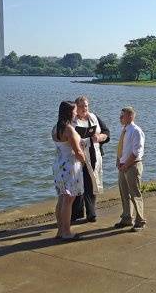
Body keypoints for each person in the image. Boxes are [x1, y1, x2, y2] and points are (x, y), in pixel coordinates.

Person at [71, 95, 110, 223]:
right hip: (78, 157)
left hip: (94, 156)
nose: (84, 109)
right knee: (78, 184)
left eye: (86, 106)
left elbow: (106, 133)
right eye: (81, 106)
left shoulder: (94, 117)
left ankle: (91, 213)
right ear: (76, 108)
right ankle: (76, 213)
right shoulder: (71, 120)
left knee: (91, 184)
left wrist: (99, 138)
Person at [51, 101, 86, 241]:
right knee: (69, 199)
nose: (76, 113)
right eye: (74, 111)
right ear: (68, 113)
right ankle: (66, 232)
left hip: (59, 164)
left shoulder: (55, 128)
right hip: (70, 165)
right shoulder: (69, 129)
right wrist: (84, 161)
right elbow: (77, 151)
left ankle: (60, 230)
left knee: (61, 198)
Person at [114, 106, 147, 232]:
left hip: (132, 166)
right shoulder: (124, 130)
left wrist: (126, 165)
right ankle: (127, 217)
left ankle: (140, 220)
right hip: (123, 166)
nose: (120, 117)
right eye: (120, 115)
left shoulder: (136, 131)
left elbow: (136, 153)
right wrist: (118, 161)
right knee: (124, 193)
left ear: (130, 116)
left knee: (135, 194)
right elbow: (122, 148)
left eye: (122, 115)